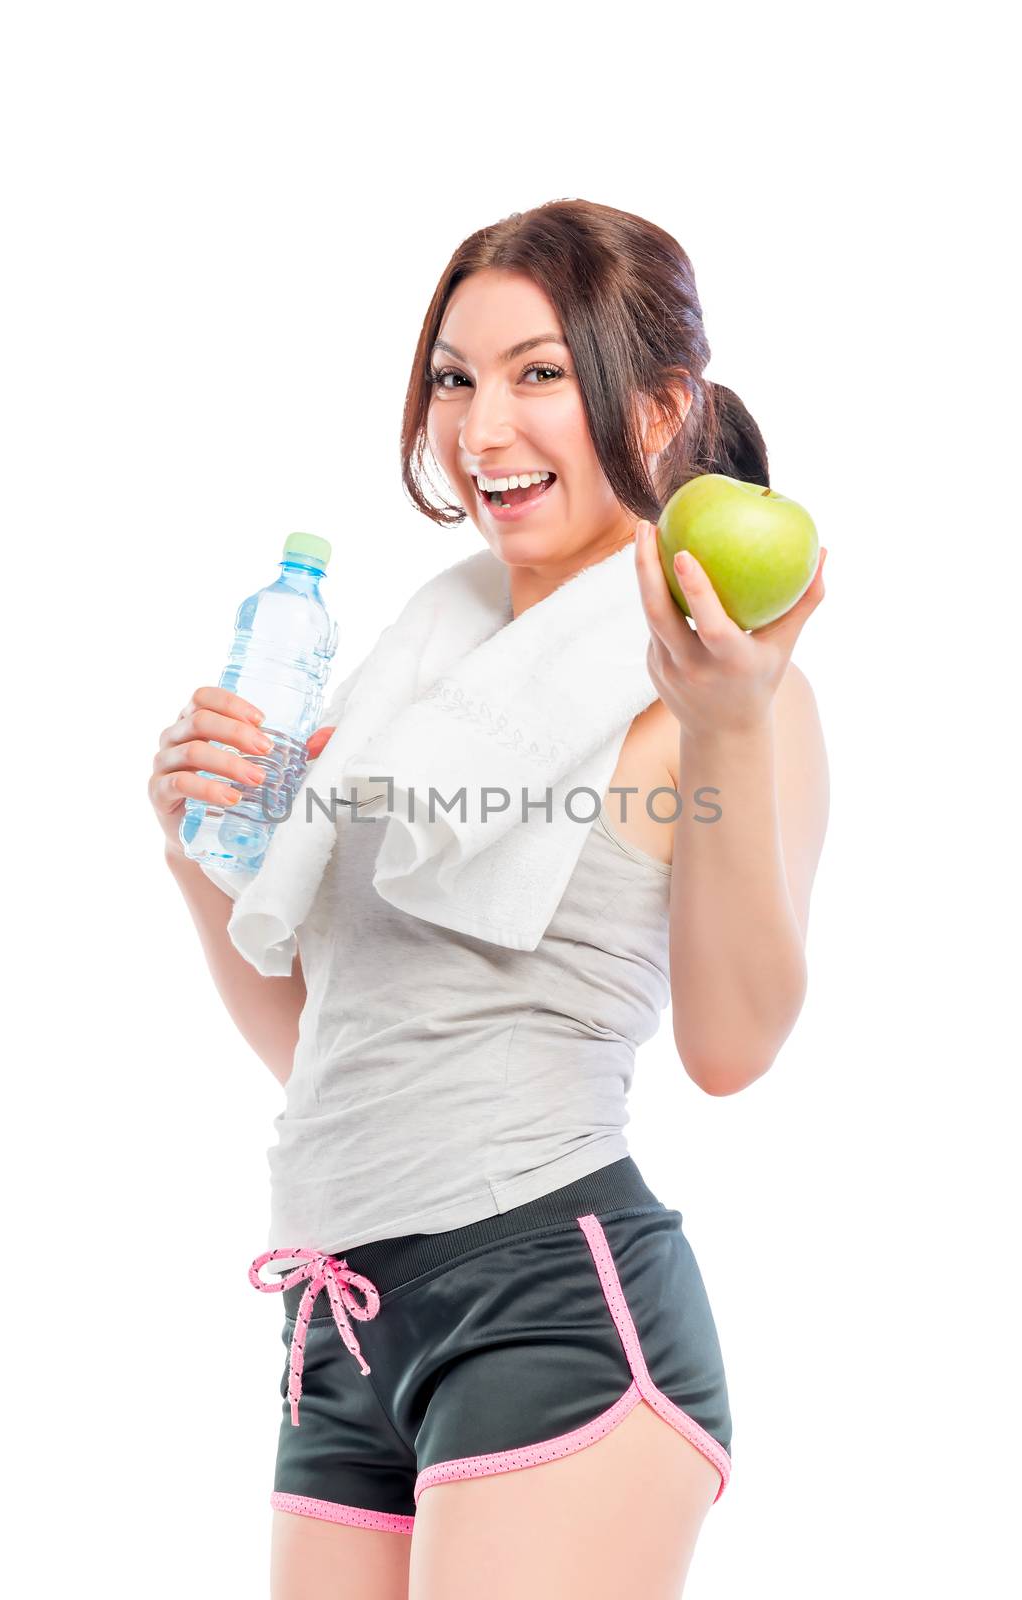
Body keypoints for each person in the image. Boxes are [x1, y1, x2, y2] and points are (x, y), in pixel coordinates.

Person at [149, 198, 829, 1600]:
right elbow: (333, 1049)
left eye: (538, 374)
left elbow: (735, 1045)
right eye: (456, 377)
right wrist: (194, 853)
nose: (481, 428)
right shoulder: (412, 691)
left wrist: (732, 731)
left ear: (657, 405)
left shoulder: (721, 685)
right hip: (343, 1326)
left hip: (551, 1305)